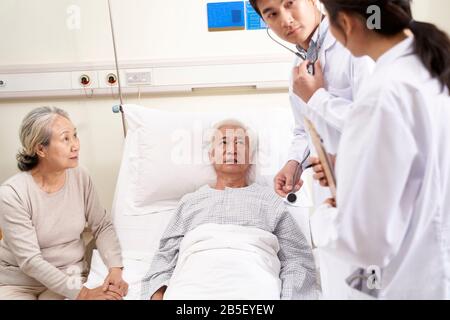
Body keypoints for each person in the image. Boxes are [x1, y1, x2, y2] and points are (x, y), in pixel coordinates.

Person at [309, 0, 450, 299]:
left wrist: (322, 215)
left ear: (345, 23)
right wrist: (349, 167)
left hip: (411, 284)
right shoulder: (427, 71)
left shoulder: (383, 94)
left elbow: (364, 242)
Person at [249, 0, 374, 299]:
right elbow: (303, 130)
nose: (286, 20)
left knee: (371, 287)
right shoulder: (297, 68)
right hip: (329, 194)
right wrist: (293, 163)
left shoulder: (353, 46)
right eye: (272, 14)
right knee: (340, 283)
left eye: (290, 4)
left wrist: (316, 96)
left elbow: (373, 122)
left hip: (368, 191)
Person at [141, 120, 318, 300]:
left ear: (249, 158)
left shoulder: (271, 201)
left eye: (240, 143)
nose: (232, 149)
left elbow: (298, 260)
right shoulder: (189, 202)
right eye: (224, 142)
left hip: (254, 280)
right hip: (192, 282)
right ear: (211, 155)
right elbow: (164, 258)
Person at [0, 107, 128, 300]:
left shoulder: (80, 176)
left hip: (69, 276)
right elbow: (30, 261)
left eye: (75, 136)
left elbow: (101, 225)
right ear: (40, 149)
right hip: (18, 282)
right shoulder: (13, 194)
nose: (75, 145)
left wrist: (115, 270)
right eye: (65, 139)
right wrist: (84, 294)